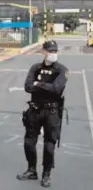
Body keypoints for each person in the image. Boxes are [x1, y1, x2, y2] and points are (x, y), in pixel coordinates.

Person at [17, 40, 68, 188]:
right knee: (29, 142)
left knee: (49, 145)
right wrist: (46, 87)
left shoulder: (61, 70)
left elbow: (57, 89)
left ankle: (46, 174)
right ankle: (32, 169)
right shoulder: (35, 68)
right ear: (43, 52)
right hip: (35, 109)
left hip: (52, 112)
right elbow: (27, 87)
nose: (53, 54)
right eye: (50, 51)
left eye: (55, 51)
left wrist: (38, 85)